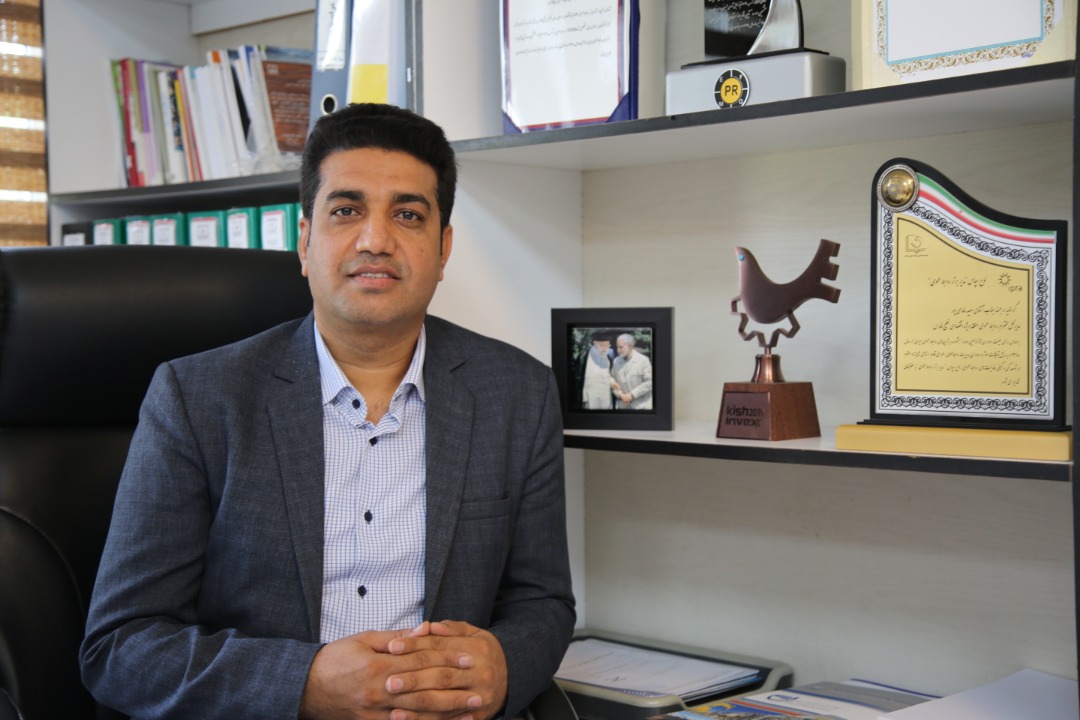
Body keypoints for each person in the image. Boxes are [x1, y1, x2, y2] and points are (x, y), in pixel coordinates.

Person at [80, 103, 576, 720]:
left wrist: (504, 666)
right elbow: (120, 646)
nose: (376, 240)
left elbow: (542, 602)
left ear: (443, 248)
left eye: (408, 214)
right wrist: (305, 684)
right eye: (346, 211)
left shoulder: (519, 393)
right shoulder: (197, 397)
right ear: (304, 241)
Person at [610, 333, 653, 410]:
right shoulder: (616, 361)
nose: (618, 350)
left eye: (621, 347)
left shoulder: (643, 361)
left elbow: (649, 382)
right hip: (623, 406)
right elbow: (612, 380)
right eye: (617, 347)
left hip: (641, 406)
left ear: (629, 346)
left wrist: (632, 395)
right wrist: (620, 394)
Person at [580, 335, 614, 409]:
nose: (605, 349)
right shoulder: (584, 357)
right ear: (595, 343)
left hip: (606, 400)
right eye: (602, 345)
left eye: (607, 345)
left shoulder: (609, 359)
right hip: (590, 399)